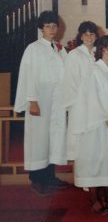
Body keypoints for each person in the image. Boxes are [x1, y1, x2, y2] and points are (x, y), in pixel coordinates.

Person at [71, 35, 108, 215]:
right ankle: (95, 198)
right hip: (97, 125)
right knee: (97, 161)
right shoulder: (93, 70)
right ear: (100, 50)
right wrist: (107, 119)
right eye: (107, 49)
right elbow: (91, 98)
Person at [14, 10, 69, 196]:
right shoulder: (33, 48)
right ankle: (37, 179)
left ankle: (50, 177)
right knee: (39, 140)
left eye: (54, 25)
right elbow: (28, 76)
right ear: (41, 28)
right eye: (47, 26)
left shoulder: (60, 50)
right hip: (40, 100)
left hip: (56, 101)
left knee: (53, 138)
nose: (52, 29)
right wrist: (32, 100)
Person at [63, 21, 99, 160]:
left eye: (92, 34)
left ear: (96, 36)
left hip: (97, 104)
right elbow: (70, 82)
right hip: (80, 105)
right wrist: (77, 103)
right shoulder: (74, 54)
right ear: (81, 36)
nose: (89, 37)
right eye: (86, 34)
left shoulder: (100, 53)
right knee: (81, 142)